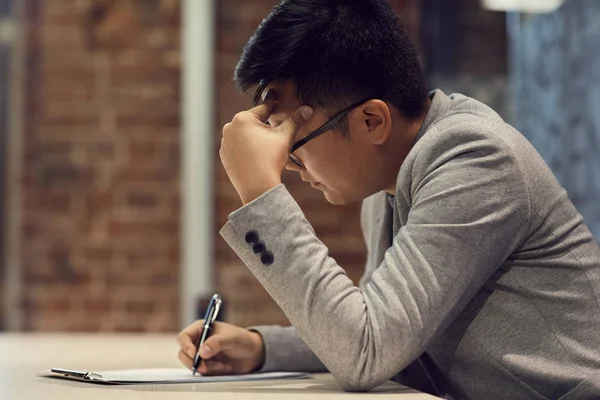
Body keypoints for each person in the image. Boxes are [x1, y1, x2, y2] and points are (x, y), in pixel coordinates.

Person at [177, 0, 600, 398]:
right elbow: (378, 325)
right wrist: (262, 347)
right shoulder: (391, 181)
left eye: (293, 138)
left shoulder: (477, 159)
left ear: (372, 120)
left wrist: (260, 193)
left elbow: (365, 352)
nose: (288, 164)